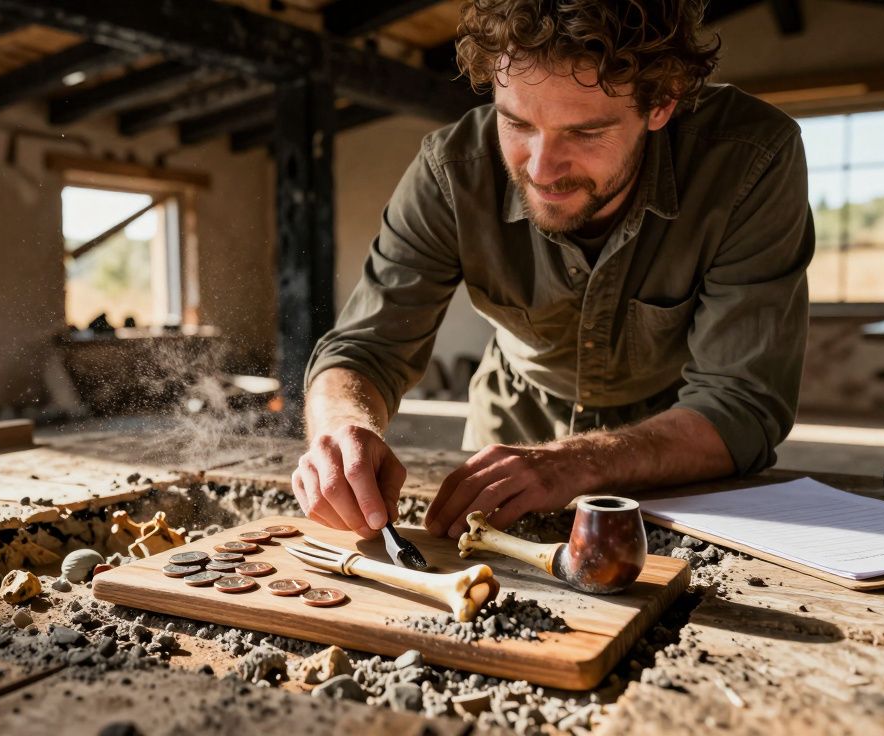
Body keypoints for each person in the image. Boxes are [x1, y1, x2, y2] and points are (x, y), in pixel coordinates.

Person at [292, 0, 813, 540]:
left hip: (679, 449)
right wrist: (342, 428)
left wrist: (575, 463)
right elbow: (363, 350)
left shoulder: (751, 158)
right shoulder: (450, 171)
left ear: (661, 103)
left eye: (585, 133)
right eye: (516, 123)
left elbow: (740, 403)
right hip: (509, 428)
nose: (541, 170)